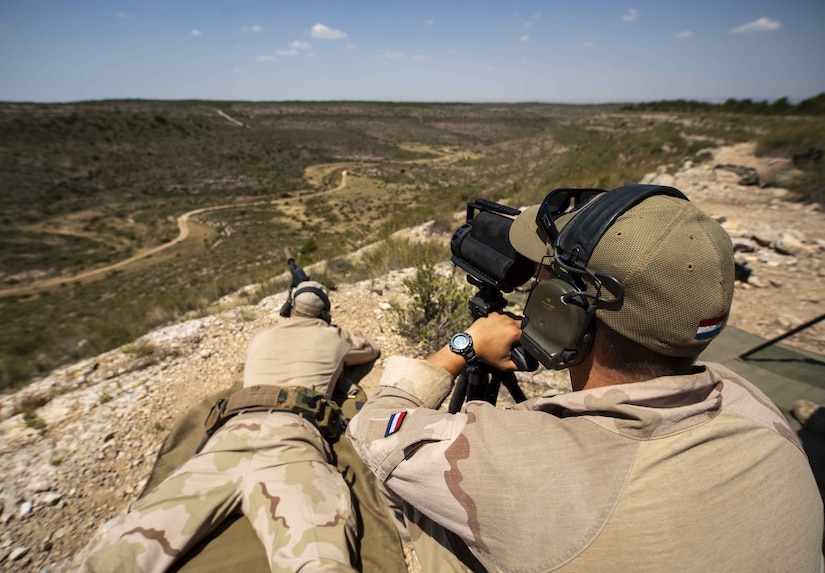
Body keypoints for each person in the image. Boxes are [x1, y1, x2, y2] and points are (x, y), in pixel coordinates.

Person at [346, 185, 825, 572]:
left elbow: (375, 429)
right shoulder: (755, 408)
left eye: (543, 279)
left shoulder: (524, 461)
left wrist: (464, 345)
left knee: (411, 502)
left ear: (564, 316)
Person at [81, 281, 380, 573]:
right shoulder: (334, 337)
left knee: (127, 549)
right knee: (319, 557)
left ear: (288, 307)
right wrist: (337, 332)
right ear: (325, 313)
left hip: (228, 435)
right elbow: (370, 349)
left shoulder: (261, 336)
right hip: (293, 437)